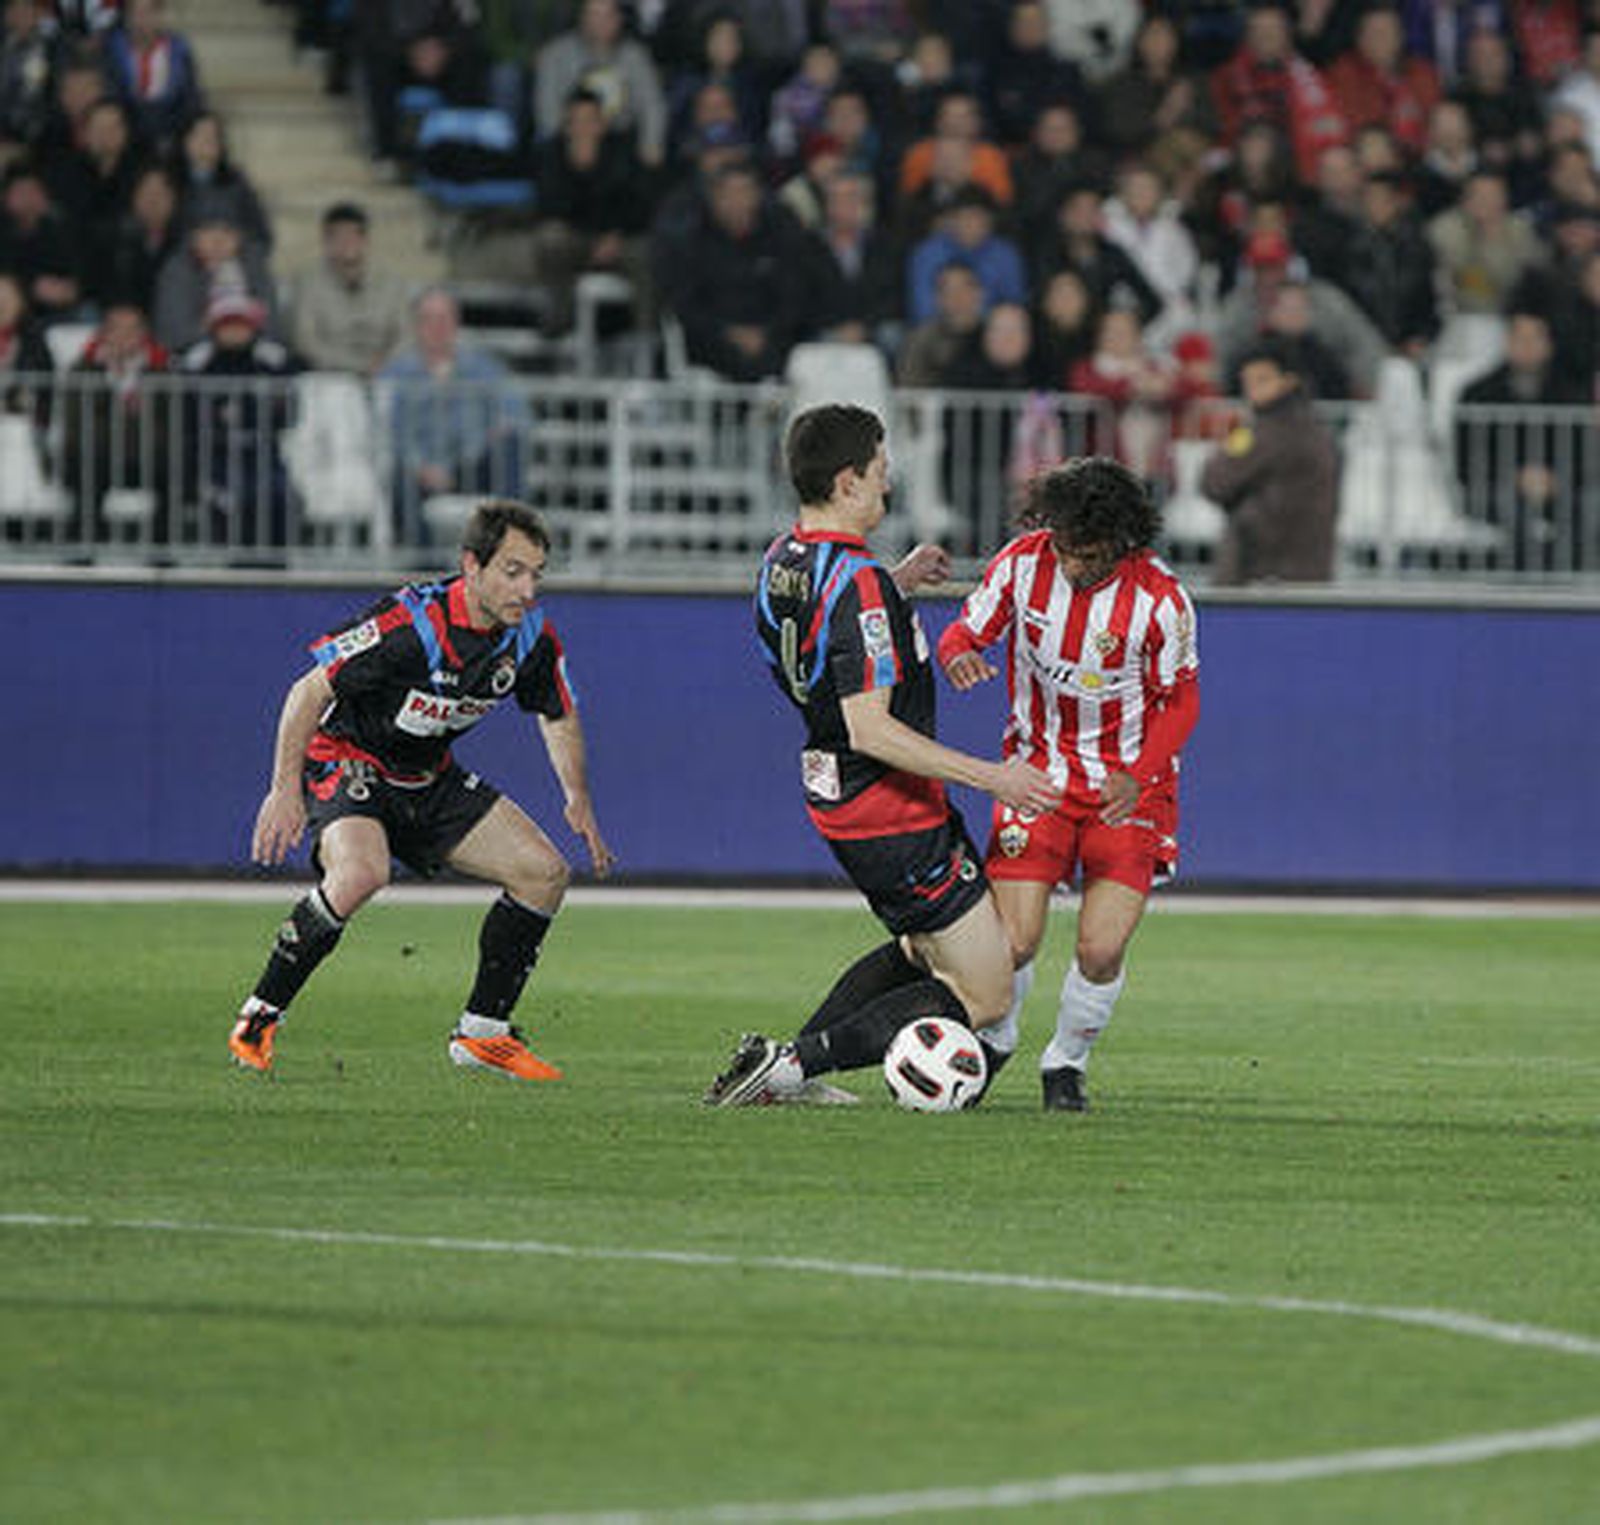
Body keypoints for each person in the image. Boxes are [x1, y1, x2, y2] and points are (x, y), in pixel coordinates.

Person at [701, 403, 1061, 1107]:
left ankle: (780, 1075)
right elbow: (871, 728)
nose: (886, 489)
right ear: (846, 482)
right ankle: (790, 1065)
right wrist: (994, 777)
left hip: (842, 791)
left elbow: (822, 639)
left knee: (920, 948)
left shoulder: (785, 559)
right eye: (879, 474)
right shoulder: (855, 582)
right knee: (984, 994)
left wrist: (895, 584)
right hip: (886, 805)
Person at [231, 498, 616, 1079]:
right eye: (512, 571)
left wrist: (576, 795)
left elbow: (556, 712)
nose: (527, 589)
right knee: (362, 873)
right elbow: (307, 693)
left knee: (544, 874)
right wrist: (284, 789)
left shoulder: (530, 637)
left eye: (536, 574)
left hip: (427, 775)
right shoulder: (410, 623)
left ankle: (482, 1034)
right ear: (472, 566)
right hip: (349, 761)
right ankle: (260, 1015)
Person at [936, 456, 1199, 1112]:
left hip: (1128, 788)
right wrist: (959, 654)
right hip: (1038, 779)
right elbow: (963, 633)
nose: (1072, 563)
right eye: (1064, 546)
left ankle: (1067, 1060)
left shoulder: (1161, 601)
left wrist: (1138, 776)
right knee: (1016, 940)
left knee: (1101, 945)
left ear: (1121, 540)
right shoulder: (1023, 564)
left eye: (1087, 552)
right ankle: (997, 1038)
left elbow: (1181, 702)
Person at [1200, 339, 1339, 585]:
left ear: (1289, 380)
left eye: (1262, 380)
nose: (1252, 390)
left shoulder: (1268, 430)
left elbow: (1214, 481)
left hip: (1264, 571)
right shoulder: (1316, 429)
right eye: (1248, 383)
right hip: (1306, 568)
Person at [288, 201, 413, 375]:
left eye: (353, 235)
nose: (346, 243)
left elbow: (406, 335)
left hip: (386, 372)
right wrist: (357, 366)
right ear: (326, 242)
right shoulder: (307, 283)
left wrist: (386, 362)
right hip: (330, 375)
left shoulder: (392, 284)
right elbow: (306, 340)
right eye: (338, 237)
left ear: (365, 240)